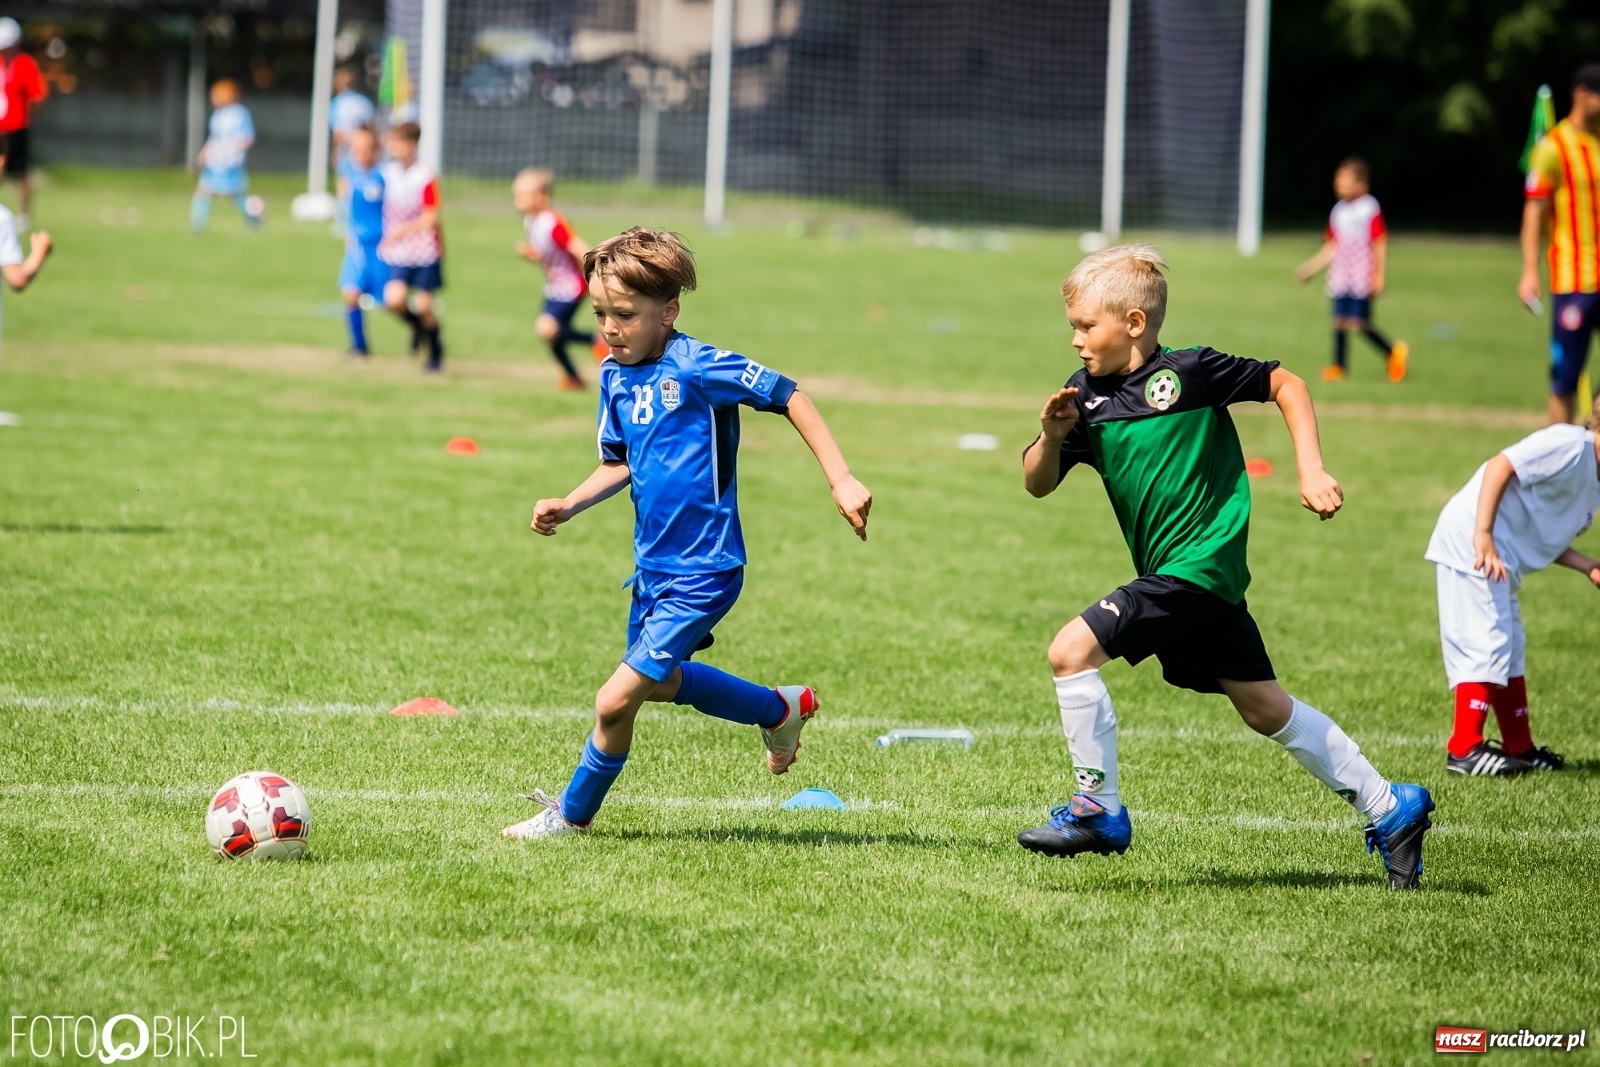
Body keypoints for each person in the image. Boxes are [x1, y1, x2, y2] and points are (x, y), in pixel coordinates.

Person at [1017, 243, 1435, 890]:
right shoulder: (1085, 399)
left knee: (1070, 652)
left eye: (1085, 326)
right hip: (1191, 581)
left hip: (1199, 566)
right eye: (1071, 326)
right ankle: (1391, 806)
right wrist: (1050, 435)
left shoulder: (1192, 372)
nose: (1075, 340)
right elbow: (1036, 484)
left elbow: (1285, 383)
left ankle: (1097, 808)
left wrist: (1311, 466)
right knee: (1266, 708)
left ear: (1133, 322)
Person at [502, 227, 874, 841]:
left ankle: (569, 817)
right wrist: (569, 503)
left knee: (613, 700)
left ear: (668, 310)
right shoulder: (613, 377)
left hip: (706, 567)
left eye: (625, 314)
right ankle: (779, 708)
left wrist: (841, 478)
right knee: (660, 683)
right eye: (600, 314)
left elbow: (790, 395)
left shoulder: (699, 367)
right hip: (652, 568)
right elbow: (620, 461)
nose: (610, 328)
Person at [1424, 400, 1600, 777]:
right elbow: (1501, 465)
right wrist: (1483, 534)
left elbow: (1544, 534)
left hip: (1499, 554)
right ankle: (1464, 749)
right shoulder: (1572, 445)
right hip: (1473, 544)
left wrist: (1588, 566)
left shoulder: (1594, 483)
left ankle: (1519, 748)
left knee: (1510, 647)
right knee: (1486, 643)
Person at [1520, 63, 1600, 426]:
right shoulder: (1552, 147)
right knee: (1564, 379)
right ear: (1582, 94)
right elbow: (1534, 212)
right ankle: (1564, 462)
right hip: (1574, 280)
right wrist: (1528, 272)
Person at [1296, 157, 1408, 383]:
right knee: (1338, 321)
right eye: (1338, 182)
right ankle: (1339, 366)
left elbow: (1379, 242)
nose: (1340, 186)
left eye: (1346, 182)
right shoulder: (1337, 211)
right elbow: (1331, 246)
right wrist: (1311, 268)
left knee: (1358, 324)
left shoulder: (1369, 208)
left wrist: (1378, 274)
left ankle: (1393, 352)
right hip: (1341, 275)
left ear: (1362, 185)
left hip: (1361, 275)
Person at [513, 168, 603, 391]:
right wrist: (532, 255)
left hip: (572, 286)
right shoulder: (531, 222)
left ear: (542, 197)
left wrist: (599, 274)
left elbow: (578, 248)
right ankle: (573, 378)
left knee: (546, 328)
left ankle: (596, 341)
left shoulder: (552, 222)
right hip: (555, 287)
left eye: (523, 196)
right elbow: (551, 257)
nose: (517, 201)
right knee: (552, 336)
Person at [377, 122, 444, 372]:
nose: (395, 147)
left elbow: (431, 217)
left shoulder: (425, 176)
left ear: (413, 145)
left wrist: (401, 232)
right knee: (393, 301)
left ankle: (436, 353)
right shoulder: (387, 173)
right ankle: (417, 326)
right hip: (398, 252)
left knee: (425, 306)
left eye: (401, 142)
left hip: (424, 249)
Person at [335, 127, 387, 358]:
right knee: (350, 293)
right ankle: (359, 346)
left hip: (383, 246)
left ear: (377, 150)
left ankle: (418, 327)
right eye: (356, 150)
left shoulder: (385, 177)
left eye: (366, 150)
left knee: (392, 300)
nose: (361, 155)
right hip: (358, 245)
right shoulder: (349, 174)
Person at [190, 80, 262, 234]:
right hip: (215, 162)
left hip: (231, 163)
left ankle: (253, 217)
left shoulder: (240, 114)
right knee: (204, 190)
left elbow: (248, 138)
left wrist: (231, 148)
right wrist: (204, 153)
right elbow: (214, 137)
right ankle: (198, 225)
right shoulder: (217, 116)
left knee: (235, 195)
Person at [0, 17, 47, 231]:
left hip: (17, 126)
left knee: (21, 172)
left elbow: (38, 95)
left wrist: (27, 112)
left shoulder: (24, 63)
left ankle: (23, 215)